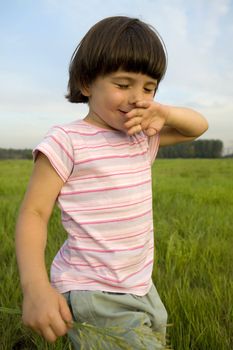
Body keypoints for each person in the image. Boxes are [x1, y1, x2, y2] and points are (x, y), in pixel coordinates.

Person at [15, 16, 208, 349]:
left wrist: (164, 112)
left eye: (148, 88)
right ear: (88, 83)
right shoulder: (68, 140)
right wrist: (35, 287)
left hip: (140, 284)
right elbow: (33, 213)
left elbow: (198, 126)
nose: (137, 97)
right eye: (123, 84)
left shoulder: (140, 136)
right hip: (95, 289)